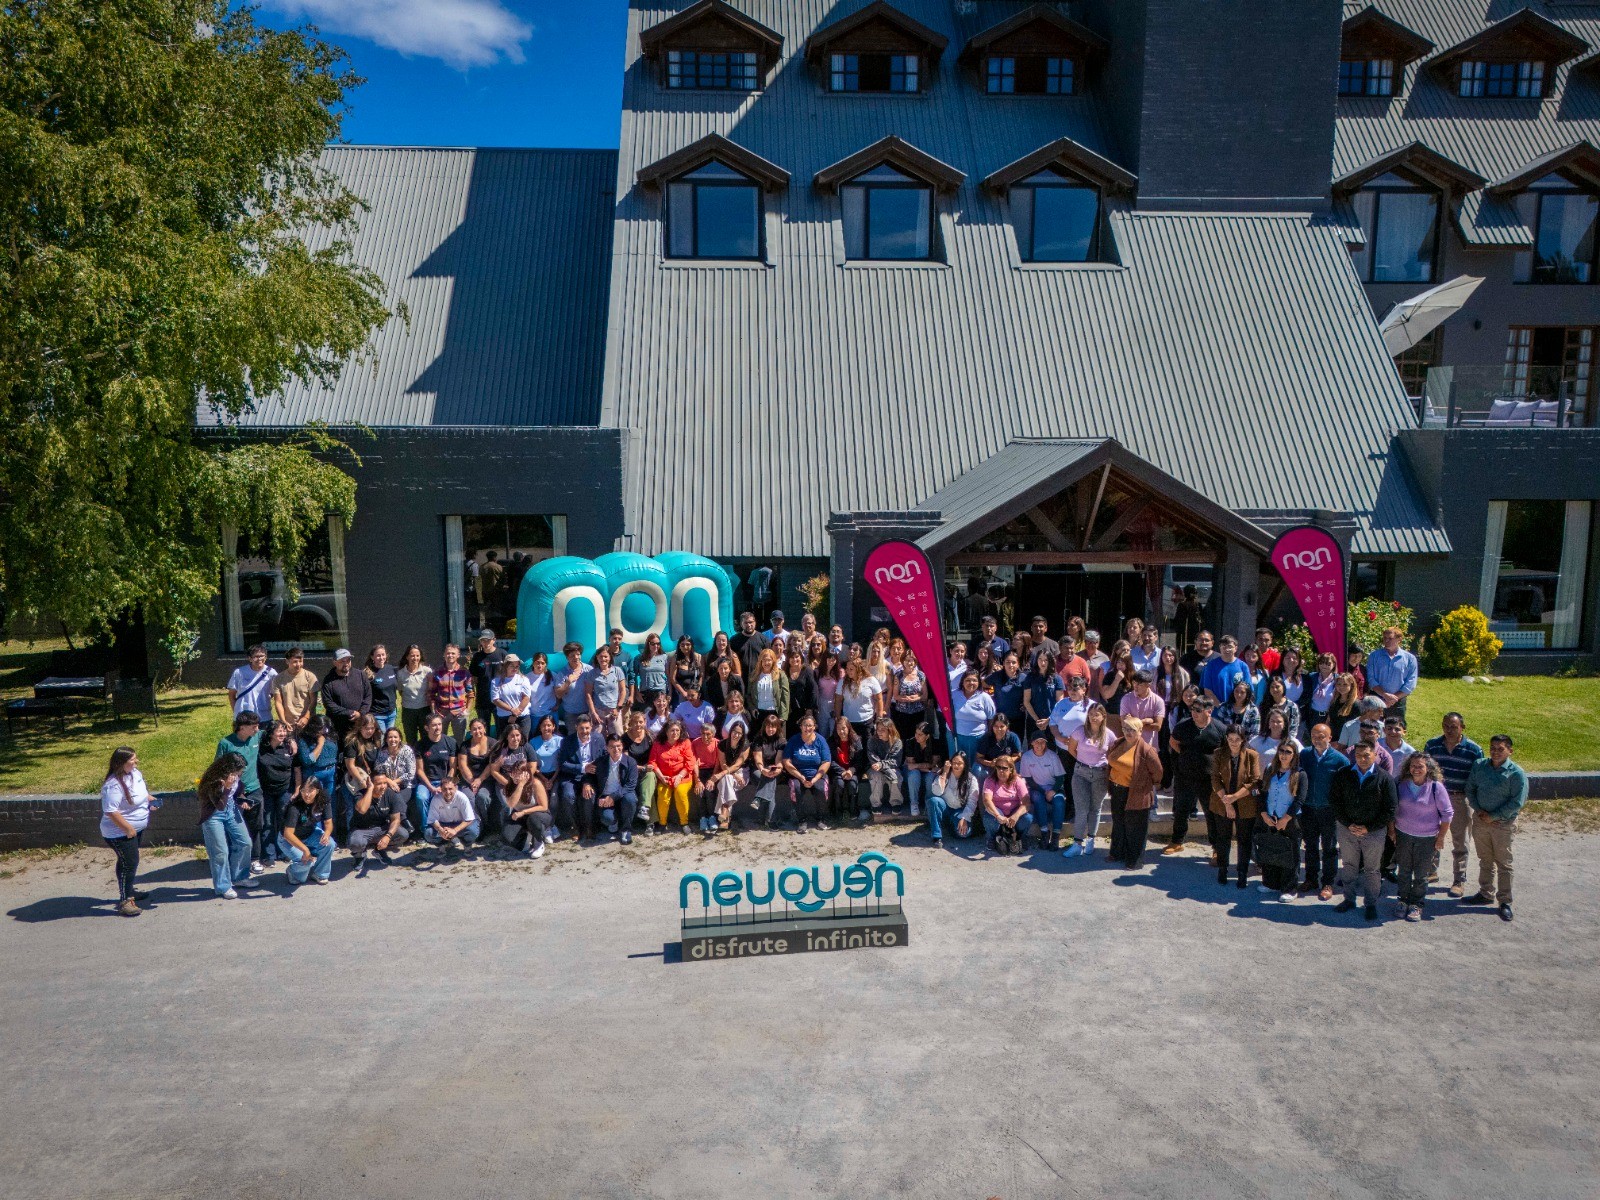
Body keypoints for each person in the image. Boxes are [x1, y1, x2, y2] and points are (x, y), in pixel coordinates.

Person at [1330, 741, 1398, 921]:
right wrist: (1347, 823)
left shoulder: (1384, 778)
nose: (1362, 759)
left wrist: (1369, 828)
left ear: (1375, 755)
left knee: (1372, 870)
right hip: (1347, 829)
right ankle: (1349, 899)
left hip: (1373, 832)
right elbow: (1335, 802)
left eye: (1366, 755)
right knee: (1349, 866)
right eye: (1358, 755)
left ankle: (1370, 904)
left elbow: (1390, 809)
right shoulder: (1343, 774)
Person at [1463, 734, 1527, 921]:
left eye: (1500, 749)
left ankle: (1505, 901)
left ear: (1510, 751)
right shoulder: (1480, 766)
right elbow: (1470, 789)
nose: (1495, 752)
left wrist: (1494, 816)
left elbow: (1517, 803)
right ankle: (1485, 893)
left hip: (1503, 825)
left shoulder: (1516, 773)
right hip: (1481, 821)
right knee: (1485, 859)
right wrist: (1479, 810)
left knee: (1504, 863)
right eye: (1492, 748)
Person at [1424, 712, 1484, 898]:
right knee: (1431, 836)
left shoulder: (1474, 750)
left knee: (1460, 842)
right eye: (1446, 726)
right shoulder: (1432, 745)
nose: (1449, 730)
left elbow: (1478, 779)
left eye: (1454, 727)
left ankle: (1459, 880)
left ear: (1462, 728)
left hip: (1460, 799)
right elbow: (1425, 770)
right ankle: (1431, 871)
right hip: (1435, 798)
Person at [1394, 752, 1454, 921]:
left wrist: (1441, 837)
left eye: (1420, 766)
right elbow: (1393, 808)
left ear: (1428, 768)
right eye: (1413, 765)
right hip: (1403, 834)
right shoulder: (1401, 784)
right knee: (1404, 870)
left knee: (1421, 874)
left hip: (1427, 838)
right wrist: (1392, 831)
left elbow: (1447, 814)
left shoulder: (1436, 787)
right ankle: (1403, 900)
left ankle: (1417, 904)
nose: (1416, 769)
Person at [1165, 695, 1224, 856]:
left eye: (1198, 710)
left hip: (1208, 780)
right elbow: (1173, 742)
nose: (1194, 713)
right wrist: (1184, 755)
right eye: (1192, 709)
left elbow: (1225, 752)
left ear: (1209, 711)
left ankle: (1216, 848)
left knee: (1210, 814)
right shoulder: (1183, 726)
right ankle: (1177, 841)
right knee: (1181, 810)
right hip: (1186, 776)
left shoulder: (1219, 729)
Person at [100, 747, 153, 916]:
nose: (136, 762)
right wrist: (128, 828)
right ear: (121, 763)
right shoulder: (113, 785)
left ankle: (129, 891)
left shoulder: (135, 774)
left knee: (127, 862)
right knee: (130, 862)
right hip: (119, 833)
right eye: (132, 760)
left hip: (134, 830)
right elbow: (111, 811)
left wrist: (150, 800)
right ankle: (125, 900)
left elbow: (142, 794)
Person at [1298, 724, 1349, 900]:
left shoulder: (1340, 760)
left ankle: (1328, 882)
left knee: (1329, 848)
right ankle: (1311, 878)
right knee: (1310, 846)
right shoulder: (1304, 755)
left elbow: (1345, 788)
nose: (1317, 739)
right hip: (1309, 809)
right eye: (1314, 735)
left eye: (1321, 736)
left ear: (1329, 737)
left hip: (1329, 811)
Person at [1209, 726, 1261, 889]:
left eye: (1237, 739)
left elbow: (1254, 781)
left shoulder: (1252, 755)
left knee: (1244, 840)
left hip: (1244, 803)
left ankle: (1242, 872)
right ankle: (1223, 869)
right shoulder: (1219, 753)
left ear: (1243, 740)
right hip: (1221, 801)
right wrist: (1227, 801)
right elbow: (1215, 779)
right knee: (1223, 838)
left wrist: (1235, 797)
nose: (1233, 743)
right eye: (1230, 739)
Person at [1107, 717, 1162, 869]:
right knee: (1119, 823)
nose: (1128, 732)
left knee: (1136, 827)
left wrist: (1145, 785)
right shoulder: (1118, 743)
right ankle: (1117, 853)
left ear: (1140, 731)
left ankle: (1134, 860)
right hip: (1117, 789)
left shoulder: (1147, 750)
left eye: (1132, 729)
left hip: (1137, 793)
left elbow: (1157, 773)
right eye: (1125, 729)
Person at [197, 752, 253, 899]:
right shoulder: (213, 781)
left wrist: (242, 800)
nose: (240, 773)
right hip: (214, 814)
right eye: (238, 771)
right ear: (227, 769)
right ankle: (223, 887)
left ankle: (240, 877)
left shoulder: (236, 777)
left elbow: (238, 791)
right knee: (220, 852)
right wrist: (227, 787)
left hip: (231, 808)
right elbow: (219, 806)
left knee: (245, 842)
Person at [1255, 741, 1305, 898]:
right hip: (1270, 817)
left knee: (1290, 853)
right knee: (1271, 849)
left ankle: (1289, 888)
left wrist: (1286, 819)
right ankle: (1271, 883)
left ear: (1294, 755)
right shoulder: (1270, 769)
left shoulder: (1300, 774)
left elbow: (1299, 800)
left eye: (1288, 752)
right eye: (1281, 751)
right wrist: (1263, 813)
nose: (1284, 754)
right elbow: (1262, 793)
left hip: (1290, 819)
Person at [1065, 702, 1115, 858]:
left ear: (1103, 717)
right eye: (1091, 714)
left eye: (1097, 714)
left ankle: (1091, 840)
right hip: (1081, 772)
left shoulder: (1109, 735)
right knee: (1082, 809)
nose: (1093, 717)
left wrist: (1102, 765)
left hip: (1100, 774)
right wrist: (1083, 761)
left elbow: (1112, 754)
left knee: (1095, 808)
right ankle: (1077, 843)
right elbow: (1071, 749)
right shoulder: (1080, 731)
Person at [348, 750, 410, 869]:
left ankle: (379, 850)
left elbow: (396, 819)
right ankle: (360, 856)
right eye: (378, 784)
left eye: (384, 783)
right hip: (362, 830)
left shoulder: (391, 794)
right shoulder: (360, 794)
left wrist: (387, 836)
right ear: (370, 783)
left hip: (381, 829)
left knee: (402, 834)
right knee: (355, 843)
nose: (382, 787)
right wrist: (370, 789)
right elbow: (362, 809)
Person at [255, 720, 299, 871]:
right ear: (271, 733)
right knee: (267, 822)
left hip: (284, 791)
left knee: (283, 822)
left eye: (284, 731)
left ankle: (284, 851)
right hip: (266, 791)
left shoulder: (288, 747)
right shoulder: (261, 748)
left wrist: (297, 788)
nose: (282, 734)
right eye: (279, 731)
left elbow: (297, 769)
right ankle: (268, 855)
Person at [556, 713, 607, 841]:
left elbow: (603, 759)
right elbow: (562, 764)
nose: (585, 731)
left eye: (587, 728)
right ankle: (575, 826)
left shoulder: (599, 739)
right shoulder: (567, 741)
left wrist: (588, 781)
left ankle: (589, 827)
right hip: (571, 777)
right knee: (568, 796)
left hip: (591, 777)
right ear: (576, 727)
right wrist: (582, 767)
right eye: (581, 728)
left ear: (591, 727)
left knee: (589, 796)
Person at [278, 776, 335, 887]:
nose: (307, 794)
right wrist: (305, 850)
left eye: (310, 791)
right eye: (304, 791)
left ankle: (320, 874)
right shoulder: (295, 806)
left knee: (330, 844)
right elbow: (288, 834)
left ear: (317, 791)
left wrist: (327, 834)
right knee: (305, 865)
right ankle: (292, 871)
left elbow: (328, 823)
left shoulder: (324, 799)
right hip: (288, 840)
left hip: (309, 833)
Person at [647, 718, 698, 833]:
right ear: (666, 732)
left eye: (677, 730)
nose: (675, 733)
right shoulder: (657, 743)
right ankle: (662, 823)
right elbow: (652, 762)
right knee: (663, 796)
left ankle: (684, 822)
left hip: (683, 777)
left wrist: (680, 776)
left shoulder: (685, 742)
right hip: (664, 777)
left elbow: (690, 762)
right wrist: (661, 777)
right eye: (672, 730)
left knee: (680, 794)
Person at [783, 714, 832, 832]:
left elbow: (826, 762)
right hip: (798, 775)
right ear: (800, 727)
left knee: (821, 789)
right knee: (797, 789)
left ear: (814, 727)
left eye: (810, 725)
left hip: (817, 775)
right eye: (805, 725)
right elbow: (786, 761)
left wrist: (815, 779)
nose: (807, 728)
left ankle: (821, 819)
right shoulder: (794, 740)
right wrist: (801, 777)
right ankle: (802, 820)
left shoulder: (821, 740)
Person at [413, 713, 458, 839]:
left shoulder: (450, 742)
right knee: (421, 798)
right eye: (434, 725)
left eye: (439, 724)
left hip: (445, 781)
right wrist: (431, 787)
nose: (437, 728)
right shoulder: (420, 745)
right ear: (427, 728)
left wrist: (446, 785)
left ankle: (454, 828)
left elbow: (453, 767)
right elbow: (420, 770)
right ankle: (426, 828)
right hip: (426, 782)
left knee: (455, 796)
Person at [1019, 732, 1066, 850]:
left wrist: (1053, 791)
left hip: (1053, 787)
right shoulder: (1027, 757)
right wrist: (1043, 791)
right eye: (1036, 742)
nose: (1039, 745)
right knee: (1037, 799)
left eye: (1042, 742)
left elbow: (1060, 777)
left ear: (1046, 744)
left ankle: (1056, 835)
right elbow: (1028, 779)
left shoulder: (1052, 756)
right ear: (1031, 743)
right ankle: (1044, 833)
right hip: (1036, 787)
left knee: (1059, 802)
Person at [500, 750, 551, 857]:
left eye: (518, 773)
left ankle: (539, 842)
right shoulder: (509, 785)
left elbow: (544, 806)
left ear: (526, 774)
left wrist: (524, 812)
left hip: (539, 814)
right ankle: (527, 837)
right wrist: (520, 785)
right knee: (507, 837)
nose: (515, 776)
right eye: (513, 773)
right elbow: (511, 804)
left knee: (533, 819)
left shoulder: (536, 784)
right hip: (520, 815)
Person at [595, 731, 642, 843]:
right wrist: (587, 784)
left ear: (622, 746)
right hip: (606, 795)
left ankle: (626, 829)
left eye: (618, 746)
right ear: (607, 748)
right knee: (607, 819)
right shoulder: (601, 761)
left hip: (624, 793)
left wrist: (613, 796)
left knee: (631, 799)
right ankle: (614, 822)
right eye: (612, 747)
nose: (616, 750)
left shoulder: (630, 762)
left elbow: (630, 785)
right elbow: (590, 776)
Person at [926, 752, 979, 847]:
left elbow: (972, 801)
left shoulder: (971, 779)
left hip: (959, 810)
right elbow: (937, 792)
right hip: (945, 806)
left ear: (965, 764)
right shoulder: (944, 773)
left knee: (964, 834)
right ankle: (936, 836)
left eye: (959, 763)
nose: (956, 765)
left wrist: (964, 818)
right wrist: (945, 773)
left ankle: (950, 825)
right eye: (954, 762)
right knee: (933, 801)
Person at [456, 718, 498, 832]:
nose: (477, 731)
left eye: (480, 728)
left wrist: (479, 780)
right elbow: (462, 765)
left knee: (482, 797)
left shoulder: (493, 743)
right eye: (474, 729)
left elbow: (492, 764)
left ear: (484, 729)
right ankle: (475, 827)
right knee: (468, 798)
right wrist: (472, 781)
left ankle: (486, 824)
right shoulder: (465, 745)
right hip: (468, 780)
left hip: (486, 780)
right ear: (470, 731)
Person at [706, 721, 749, 834]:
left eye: (739, 733)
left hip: (742, 772)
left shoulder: (745, 745)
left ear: (742, 734)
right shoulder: (722, 744)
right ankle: (725, 812)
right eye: (734, 732)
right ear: (730, 732)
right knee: (727, 779)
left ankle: (724, 812)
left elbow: (738, 764)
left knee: (725, 780)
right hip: (728, 773)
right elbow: (723, 763)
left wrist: (725, 774)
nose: (736, 735)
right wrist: (730, 774)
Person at [980, 757, 1033, 849]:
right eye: (998, 767)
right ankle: (991, 837)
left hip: (1014, 811)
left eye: (1005, 768)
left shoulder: (1018, 781)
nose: (1001, 770)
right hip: (998, 812)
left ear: (1011, 769)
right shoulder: (990, 780)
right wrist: (997, 815)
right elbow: (987, 800)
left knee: (1027, 818)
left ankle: (1021, 836)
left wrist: (1016, 815)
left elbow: (1026, 802)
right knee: (989, 818)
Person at [321, 648, 372, 743]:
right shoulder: (328, 681)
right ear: (335, 662)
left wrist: (361, 713)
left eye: (348, 660)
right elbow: (328, 704)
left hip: (359, 723)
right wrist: (348, 713)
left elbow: (368, 696)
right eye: (342, 661)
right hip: (339, 726)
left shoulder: (360, 675)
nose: (346, 663)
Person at [271, 647, 320, 743]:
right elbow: (278, 702)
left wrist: (306, 717)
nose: (298, 665)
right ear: (287, 661)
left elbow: (313, 701)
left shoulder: (310, 677)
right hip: (288, 724)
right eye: (295, 662)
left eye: (301, 661)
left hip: (307, 723)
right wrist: (283, 721)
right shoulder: (278, 679)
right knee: (290, 752)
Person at [422, 775, 479, 856]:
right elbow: (432, 819)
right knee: (428, 833)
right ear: (441, 789)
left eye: (450, 789)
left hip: (460, 823)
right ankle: (442, 844)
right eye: (444, 789)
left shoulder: (462, 797)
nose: (448, 792)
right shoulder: (436, 799)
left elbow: (469, 819)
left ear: (455, 788)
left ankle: (467, 844)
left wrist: (455, 830)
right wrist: (440, 830)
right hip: (444, 825)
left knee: (473, 831)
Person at [428, 643, 473, 742]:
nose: (450, 656)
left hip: (459, 712)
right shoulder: (437, 672)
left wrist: (467, 711)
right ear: (444, 655)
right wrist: (434, 711)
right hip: (441, 712)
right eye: (448, 653)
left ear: (458, 655)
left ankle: (457, 757)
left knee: (460, 741)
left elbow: (470, 694)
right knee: (439, 740)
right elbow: (431, 694)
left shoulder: (464, 673)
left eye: (453, 653)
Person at [749, 712, 787, 828]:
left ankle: (758, 799)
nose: (771, 729)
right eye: (768, 726)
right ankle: (771, 821)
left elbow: (779, 759)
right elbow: (758, 759)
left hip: (776, 769)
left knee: (771, 779)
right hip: (759, 769)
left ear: (777, 727)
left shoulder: (781, 741)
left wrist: (778, 769)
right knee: (768, 781)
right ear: (764, 726)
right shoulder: (758, 740)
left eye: (773, 726)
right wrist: (762, 769)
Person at [835, 658, 884, 744]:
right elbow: (838, 700)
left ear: (858, 669)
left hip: (867, 721)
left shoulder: (870, 680)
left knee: (867, 747)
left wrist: (879, 718)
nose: (848, 671)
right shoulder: (842, 681)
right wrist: (838, 717)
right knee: (853, 749)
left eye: (851, 669)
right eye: (847, 668)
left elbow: (879, 699)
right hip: (849, 722)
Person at [865, 715, 905, 818]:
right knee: (876, 775)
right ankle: (876, 804)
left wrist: (882, 765)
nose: (879, 732)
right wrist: (879, 765)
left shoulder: (897, 742)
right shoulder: (872, 741)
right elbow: (872, 757)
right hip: (875, 767)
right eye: (878, 729)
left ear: (889, 730)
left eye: (883, 730)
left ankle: (896, 802)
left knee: (895, 776)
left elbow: (896, 761)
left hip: (890, 767)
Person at [227, 644, 278, 723]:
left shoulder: (271, 673)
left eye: (262, 656)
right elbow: (231, 695)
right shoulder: (239, 672)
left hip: (264, 717)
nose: (259, 659)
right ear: (249, 658)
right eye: (256, 656)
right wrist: (236, 712)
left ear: (266, 657)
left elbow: (275, 694)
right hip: (243, 716)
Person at [395, 645, 434, 745]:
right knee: (410, 738)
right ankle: (413, 759)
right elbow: (401, 691)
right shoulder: (400, 674)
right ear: (407, 657)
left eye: (417, 655)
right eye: (412, 655)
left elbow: (432, 690)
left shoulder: (427, 671)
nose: (415, 658)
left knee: (426, 737)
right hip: (408, 711)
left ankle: (425, 759)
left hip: (424, 709)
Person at [551, 641, 593, 732]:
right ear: (567, 657)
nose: (576, 657)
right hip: (571, 714)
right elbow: (558, 694)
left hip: (587, 711)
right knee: (573, 738)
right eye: (572, 655)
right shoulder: (563, 673)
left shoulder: (589, 670)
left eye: (578, 654)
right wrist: (568, 682)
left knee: (587, 737)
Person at [469, 630, 507, 730]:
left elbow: (511, 673)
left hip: (500, 698)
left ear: (494, 640)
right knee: (483, 730)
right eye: (483, 641)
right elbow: (473, 676)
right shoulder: (477, 657)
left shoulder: (502, 654)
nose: (485, 643)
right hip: (483, 699)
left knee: (501, 729)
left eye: (488, 640)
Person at [588, 645, 629, 736]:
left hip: (614, 711)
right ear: (597, 658)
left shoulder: (617, 671)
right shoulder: (592, 674)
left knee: (617, 736)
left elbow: (623, 690)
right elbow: (588, 694)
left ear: (610, 657)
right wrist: (593, 712)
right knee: (597, 738)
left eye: (606, 656)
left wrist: (618, 708)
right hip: (598, 712)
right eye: (601, 657)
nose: (603, 659)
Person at [490, 655, 533, 740]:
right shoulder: (496, 681)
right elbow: (495, 700)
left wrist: (515, 714)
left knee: (522, 743)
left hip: (522, 718)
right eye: (512, 666)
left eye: (517, 666)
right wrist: (511, 710)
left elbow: (526, 698)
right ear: (505, 666)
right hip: (504, 718)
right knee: (504, 744)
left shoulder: (524, 679)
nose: (515, 668)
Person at [689, 722, 722, 834]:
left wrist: (712, 778)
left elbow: (718, 763)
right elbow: (694, 763)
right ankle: (703, 818)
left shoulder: (718, 743)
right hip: (699, 771)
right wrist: (697, 780)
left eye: (708, 734)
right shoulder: (695, 743)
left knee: (709, 790)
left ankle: (712, 817)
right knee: (700, 791)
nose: (705, 737)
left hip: (713, 770)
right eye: (703, 733)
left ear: (713, 734)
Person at [1200, 635, 1249, 707]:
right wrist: (1221, 707)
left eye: (1230, 647)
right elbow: (1207, 691)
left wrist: (1236, 707)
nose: (1227, 649)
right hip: (1216, 711)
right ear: (1220, 648)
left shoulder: (1243, 666)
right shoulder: (1210, 666)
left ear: (1235, 648)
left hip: (1237, 710)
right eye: (1224, 646)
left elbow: (1248, 690)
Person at [747, 648, 789, 729]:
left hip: (775, 713)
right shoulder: (754, 675)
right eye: (764, 660)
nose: (766, 663)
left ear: (773, 661)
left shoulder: (781, 675)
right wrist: (752, 708)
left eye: (769, 660)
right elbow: (748, 695)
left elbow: (785, 696)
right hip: (759, 713)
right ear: (760, 661)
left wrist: (783, 716)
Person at [784, 646, 820, 739]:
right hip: (790, 711)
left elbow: (814, 690)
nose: (794, 659)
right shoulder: (784, 671)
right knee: (791, 737)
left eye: (797, 657)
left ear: (801, 657)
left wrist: (810, 709)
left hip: (806, 710)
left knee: (806, 736)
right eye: (792, 657)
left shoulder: (807, 670)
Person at [630, 633, 669, 713]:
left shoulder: (664, 657)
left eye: (658, 644)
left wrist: (669, 693)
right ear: (648, 644)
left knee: (660, 716)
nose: (656, 646)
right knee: (647, 717)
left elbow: (668, 676)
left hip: (660, 692)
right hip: (646, 693)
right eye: (653, 644)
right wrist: (636, 693)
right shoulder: (639, 658)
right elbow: (633, 677)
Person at [365, 645, 399, 734]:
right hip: (378, 714)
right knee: (382, 739)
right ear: (372, 657)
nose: (381, 658)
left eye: (383, 654)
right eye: (378, 655)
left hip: (391, 713)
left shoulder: (390, 668)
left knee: (390, 737)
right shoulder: (368, 673)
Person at [1262, 675, 1301, 745]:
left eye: (1277, 687)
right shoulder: (1264, 705)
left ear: (1283, 687)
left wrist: (1286, 742)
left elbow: (1293, 729)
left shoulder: (1292, 706)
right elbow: (1262, 726)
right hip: (1267, 741)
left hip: (1286, 742)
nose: (1275, 689)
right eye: (1272, 687)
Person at [731, 611, 769, 681]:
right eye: (746, 623)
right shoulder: (734, 640)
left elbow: (768, 658)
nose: (749, 625)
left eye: (751, 622)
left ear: (755, 622)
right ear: (741, 624)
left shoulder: (763, 639)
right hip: (741, 679)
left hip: (759, 678)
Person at [667, 634, 704, 705]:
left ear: (692, 645)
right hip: (682, 694)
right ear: (679, 646)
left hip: (696, 693)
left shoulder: (698, 657)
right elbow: (673, 679)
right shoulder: (675, 659)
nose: (685, 647)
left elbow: (702, 675)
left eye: (688, 644)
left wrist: (697, 689)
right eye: (682, 645)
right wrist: (683, 693)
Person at [1381, 717, 1416, 781]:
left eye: (1397, 729)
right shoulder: (1376, 745)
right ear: (1384, 730)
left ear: (1404, 732)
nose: (1393, 732)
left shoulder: (1410, 752)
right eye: (1389, 728)